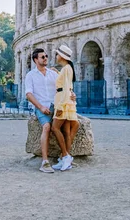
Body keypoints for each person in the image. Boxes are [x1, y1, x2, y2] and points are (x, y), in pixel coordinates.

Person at [25, 48, 76, 173]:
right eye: (42, 57)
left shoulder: (53, 73)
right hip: (41, 106)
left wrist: (72, 95)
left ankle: (65, 157)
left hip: (57, 104)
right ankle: (45, 162)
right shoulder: (30, 75)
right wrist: (41, 107)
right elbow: (29, 94)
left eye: (46, 56)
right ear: (35, 60)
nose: (46, 58)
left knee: (71, 124)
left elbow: (64, 87)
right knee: (47, 127)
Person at [51, 44, 79, 172]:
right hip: (65, 99)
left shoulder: (66, 69)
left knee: (55, 128)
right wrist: (57, 73)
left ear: (61, 56)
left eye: (57, 54)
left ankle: (65, 155)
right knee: (66, 130)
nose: (56, 56)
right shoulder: (66, 69)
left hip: (63, 100)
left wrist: (61, 106)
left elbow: (67, 87)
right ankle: (65, 158)